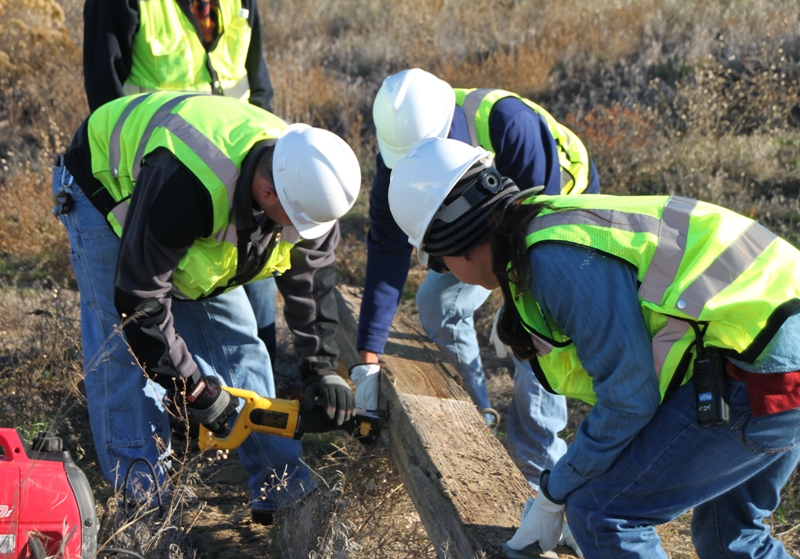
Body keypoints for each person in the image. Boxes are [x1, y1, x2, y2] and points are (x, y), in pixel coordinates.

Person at [388, 137, 800, 559]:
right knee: (729, 536)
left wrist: (556, 490)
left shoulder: (554, 260)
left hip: (766, 372)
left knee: (604, 515)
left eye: (438, 261)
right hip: (769, 344)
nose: (446, 272)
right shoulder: (555, 221)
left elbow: (629, 398)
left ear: (460, 241)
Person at [52, 91, 361, 525]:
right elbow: (139, 301)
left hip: (193, 211)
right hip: (103, 186)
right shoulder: (187, 182)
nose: (300, 234)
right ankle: (147, 514)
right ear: (267, 192)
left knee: (238, 344)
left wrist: (323, 367)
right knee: (123, 358)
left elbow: (311, 283)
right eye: (293, 225)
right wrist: (194, 388)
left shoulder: (309, 185)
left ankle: (285, 490)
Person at [352, 68, 600, 489]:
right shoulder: (399, 157)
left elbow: (541, 232)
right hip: (472, 225)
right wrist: (368, 358)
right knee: (435, 300)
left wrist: (515, 304)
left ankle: (537, 465)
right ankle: (473, 422)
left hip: (556, 215)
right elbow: (387, 253)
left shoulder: (509, 125)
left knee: (538, 339)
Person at [83, 0, 283, 367]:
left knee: (255, 298)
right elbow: (104, 88)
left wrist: (270, 165)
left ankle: (263, 394)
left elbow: (258, 85)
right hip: (160, 177)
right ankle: (180, 394)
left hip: (244, 170)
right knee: (155, 293)